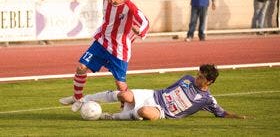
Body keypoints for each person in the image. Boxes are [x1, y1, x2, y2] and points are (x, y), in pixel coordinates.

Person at [59, 0, 149, 112]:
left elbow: (146, 22)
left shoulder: (129, 7)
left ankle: (126, 109)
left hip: (119, 48)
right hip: (102, 42)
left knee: (120, 84)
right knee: (81, 67)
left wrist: (139, 30)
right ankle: (77, 97)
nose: (109, 0)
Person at [77, 64, 246, 121]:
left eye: (201, 77)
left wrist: (239, 117)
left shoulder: (207, 99)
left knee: (144, 112)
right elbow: (167, 90)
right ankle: (87, 99)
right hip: (154, 95)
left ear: (209, 82)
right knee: (124, 95)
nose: (196, 77)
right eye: (197, 74)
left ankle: (111, 117)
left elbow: (221, 113)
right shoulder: (187, 79)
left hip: (162, 111)